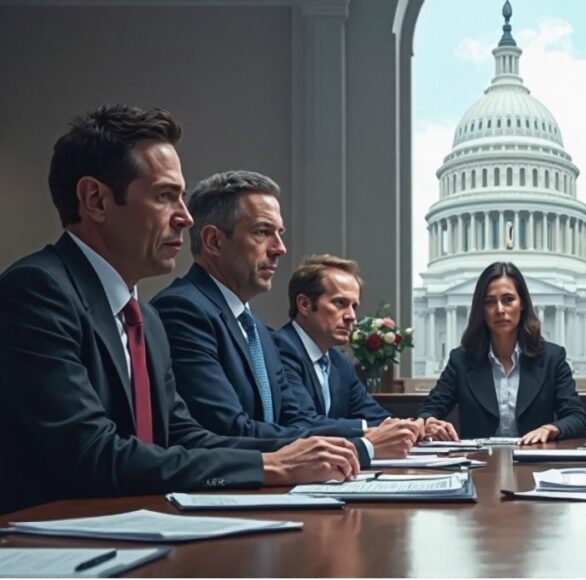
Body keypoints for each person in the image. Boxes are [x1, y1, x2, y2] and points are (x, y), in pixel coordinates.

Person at [0, 105, 361, 514]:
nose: (186, 218)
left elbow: (184, 435)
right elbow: (93, 454)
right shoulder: (37, 291)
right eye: (164, 196)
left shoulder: (146, 318)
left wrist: (303, 453)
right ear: (96, 200)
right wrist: (267, 465)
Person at [151, 170, 416, 461]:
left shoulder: (259, 331)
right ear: (214, 241)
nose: (280, 249)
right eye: (263, 232)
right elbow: (229, 430)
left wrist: (374, 435)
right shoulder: (183, 310)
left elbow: (293, 420)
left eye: (280, 233)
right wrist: (364, 444)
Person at [416, 262, 586, 442]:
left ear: (522, 303)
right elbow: (429, 409)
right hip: (479, 463)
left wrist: (550, 429)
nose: (500, 310)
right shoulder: (461, 360)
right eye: (490, 302)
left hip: (534, 463)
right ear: (481, 309)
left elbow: (577, 417)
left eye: (508, 300)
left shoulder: (552, 358)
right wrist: (430, 422)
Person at [273, 255, 391, 429]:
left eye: (354, 306)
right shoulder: (279, 349)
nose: (352, 317)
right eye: (339, 303)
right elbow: (303, 421)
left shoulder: (340, 362)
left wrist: (414, 428)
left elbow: (374, 415)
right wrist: (367, 430)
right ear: (304, 304)